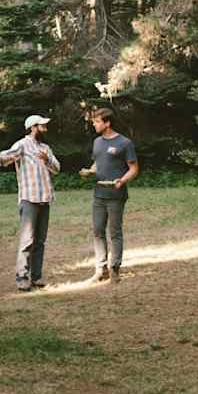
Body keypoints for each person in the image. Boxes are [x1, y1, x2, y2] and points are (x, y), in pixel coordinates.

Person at [0, 115, 60, 291]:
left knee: (40, 241)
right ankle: (22, 277)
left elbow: (57, 168)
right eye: (43, 126)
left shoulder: (45, 148)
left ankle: (37, 277)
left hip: (45, 199)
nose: (46, 129)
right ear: (33, 127)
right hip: (29, 199)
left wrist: (47, 159)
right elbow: (7, 157)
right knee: (28, 240)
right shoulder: (22, 145)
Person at [80, 107, 139, 284]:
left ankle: (115, 269)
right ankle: (101, 270)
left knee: (114, 232)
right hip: (99, 194)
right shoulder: (97, 142)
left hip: (116, 195)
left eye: (97, 121)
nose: (94, 124)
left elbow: (134, 168)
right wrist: (89, 172)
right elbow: (98, 163)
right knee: (98, 231)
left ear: (107, 123)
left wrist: (121, 181)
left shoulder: (124, 143)